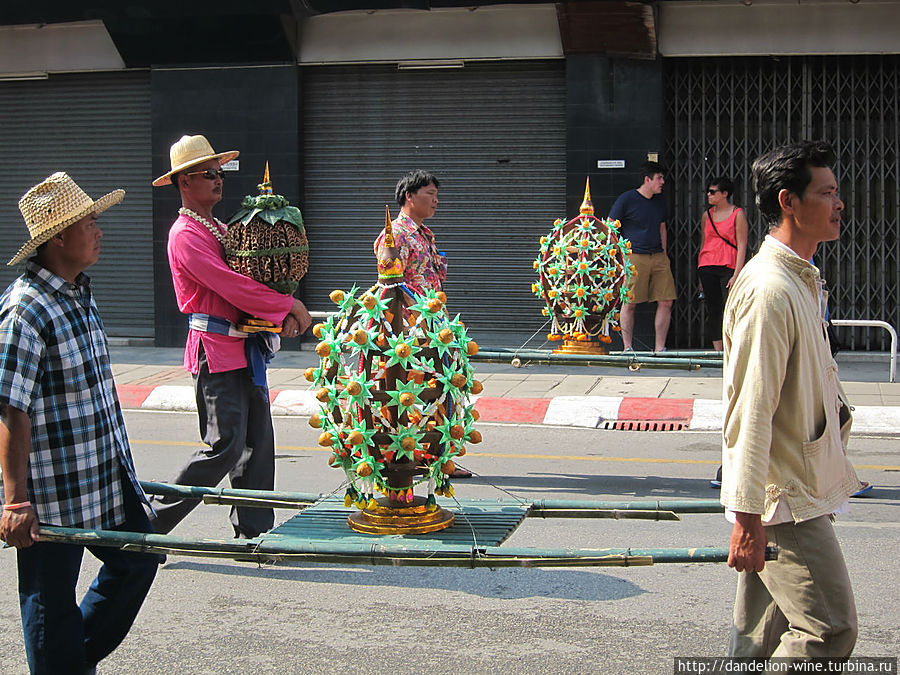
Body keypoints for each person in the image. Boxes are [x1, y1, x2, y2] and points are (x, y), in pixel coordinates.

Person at [0, 172, 158, 674]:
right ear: (59, 237)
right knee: (49, 596)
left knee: (139, 557)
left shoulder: (77, 293)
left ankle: (69, 662)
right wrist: (15, 500)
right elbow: (10, 408)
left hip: (103, 474)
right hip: (51, 490)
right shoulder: (26, 311)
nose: (100, 230)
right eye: (90, 221)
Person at [721, 141, 862, 660]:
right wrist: (747, 516)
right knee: (829, 630)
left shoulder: (801, 278)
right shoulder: (771, 289)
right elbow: (750, 410)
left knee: (758, 640)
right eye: (826, 193)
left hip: (793, 490)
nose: (839, 203)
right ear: (788, 201)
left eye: (836, 191)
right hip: (784, 501)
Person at [150, 135, 312, 538]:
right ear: (184, 182)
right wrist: (285, 306)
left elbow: (249, 276)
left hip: (245, 347)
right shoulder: (185, 234)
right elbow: (230, 285)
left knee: (257, 444)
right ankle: (149, 521)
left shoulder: (220, 227)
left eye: (220, 172)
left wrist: (278, 307)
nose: (218, 179)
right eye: (208, 174)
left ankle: (254, 531)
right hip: (216, 352)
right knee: (222, 446)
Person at [374, 170, 472, 478]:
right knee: (416, 392)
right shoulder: (398, 234)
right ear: (409, 196)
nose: (435, 200)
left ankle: (438, 456)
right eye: (429, 194)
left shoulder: (422, 233)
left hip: (433, 326)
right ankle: (413, 454)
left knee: (440, 390)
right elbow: (388, 284)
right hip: (411, 332)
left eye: (436, 195)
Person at [609, 161, 676, 352]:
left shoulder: (660, 201)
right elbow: (611, 225)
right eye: (659, 178)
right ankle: (627, 347)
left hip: (658, 256)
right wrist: (619, 253)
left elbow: (662, 227)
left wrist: (664, 253)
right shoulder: (627, 199)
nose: (662, 182)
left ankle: (659, 349)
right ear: (647, 179)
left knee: (666, 300)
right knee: (629, 302)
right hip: (634, 257)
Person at [697, 176, 748, 351]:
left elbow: (742, 245)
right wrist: (700, 277)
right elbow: (704, 243)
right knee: (714, 308)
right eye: (708, 191)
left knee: (731, 307)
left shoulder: (737, 214)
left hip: (729, 266)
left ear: (724, 194)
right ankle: (718, 350)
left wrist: (737, 274)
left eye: (713, 192)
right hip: (707, 265)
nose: (709, 195)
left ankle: (732, 347)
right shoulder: (707, 215)